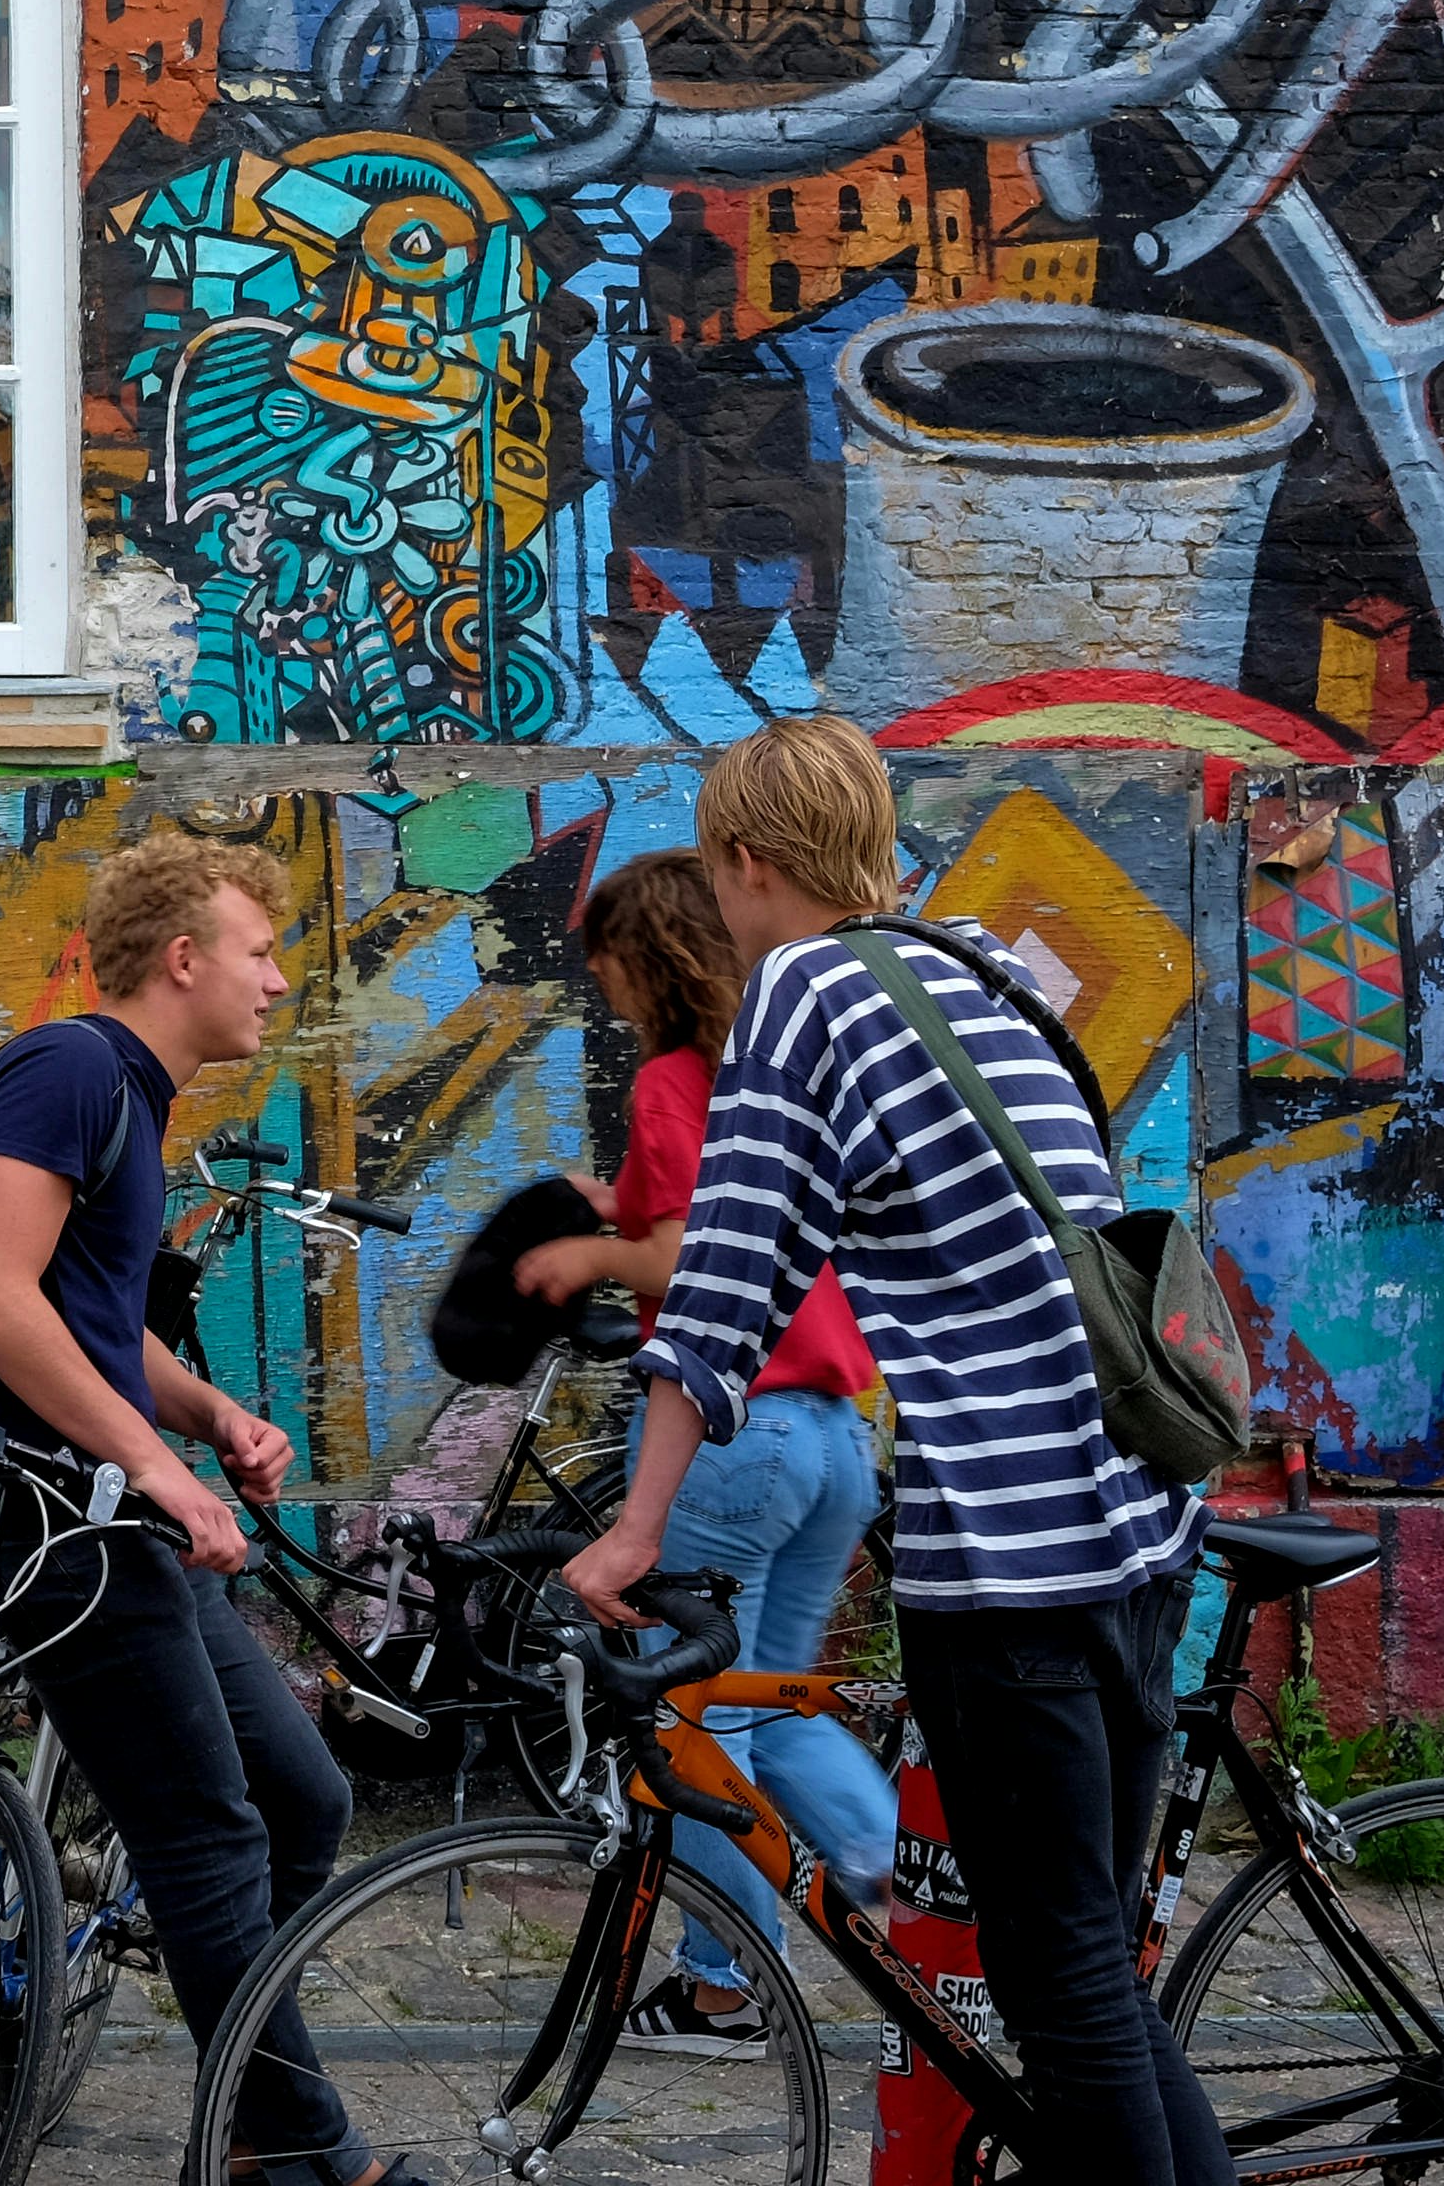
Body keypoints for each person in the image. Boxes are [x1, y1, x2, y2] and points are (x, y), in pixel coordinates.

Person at [562, 720, 1222, 2186]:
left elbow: (722, 1286)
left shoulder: (802, 986)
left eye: (719, 869)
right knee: (1092, 1969)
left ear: (747, 860)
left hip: (1011, 1561)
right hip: (1131, 1531)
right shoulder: (978, 966)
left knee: (1056, 1985)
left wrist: (631, 1530)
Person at [0, 832, 391, 2186]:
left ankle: (253, 2099)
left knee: (300, 1801)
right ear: (182, 959)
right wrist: (165, 1471)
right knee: (206, 1832)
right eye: (259, 952)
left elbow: (92, 1331)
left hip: (110, 1513)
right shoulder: (69, 1071)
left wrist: (208, 1419)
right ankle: (306, 2150)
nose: (280, 980)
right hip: (41, 1528)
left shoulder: (125, 1095)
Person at [519, 847, 896, 2057]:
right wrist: (598, 1203)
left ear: (653, 954)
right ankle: (909, 1887)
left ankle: (727, 1987)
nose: (602, 987)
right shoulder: (779, 1076)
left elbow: (690, 1261)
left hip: (737, 1435)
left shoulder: (681, 1078)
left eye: (608, 963)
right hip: (835, 1438)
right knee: (769, 1707)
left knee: (689, 1723)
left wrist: (589, 1262)